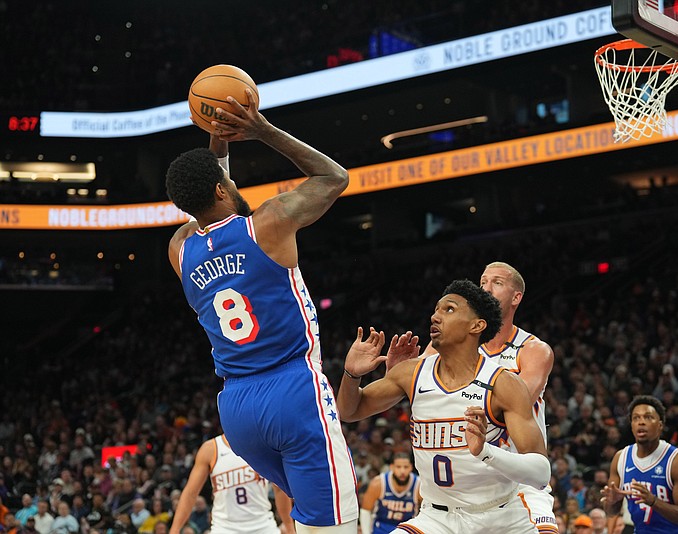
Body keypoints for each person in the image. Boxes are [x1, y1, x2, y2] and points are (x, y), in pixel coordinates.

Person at [165, 89, 357, 533]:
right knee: (334, 526)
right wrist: (260, 130)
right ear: (221, 187)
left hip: (237, 411)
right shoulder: (268, 223)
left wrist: (218, 141)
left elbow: (207, 206)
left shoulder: (179, 250)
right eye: (228, 182)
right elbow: (334, 177)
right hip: (292, 388)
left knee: (306, 520)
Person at [337, 279, 552, 533]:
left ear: (477, 325)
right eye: (436, 310)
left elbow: (540, 473)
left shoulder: (502, 384)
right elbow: (349, 411)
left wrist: (485, 451)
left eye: (449, 309)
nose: (435, 316)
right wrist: (351, 375)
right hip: (436, 519)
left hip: (501, 519)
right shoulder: (411, 373)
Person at [421, 262, 558, 533]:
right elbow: (417, 392)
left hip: (519, 479)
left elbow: (512, 405)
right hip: (467, 481)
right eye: (483, 281)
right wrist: (398, 371)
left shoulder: (533, 350)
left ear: (516, 297)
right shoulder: (454, 343)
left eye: (496, 282)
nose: (485, 287)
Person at [602, 395, 678, 533]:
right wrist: (613, 502)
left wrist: (654, 502)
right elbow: (611, 512)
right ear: (631, 426)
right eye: (636, 418)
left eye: (648, 417)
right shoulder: (621, 458)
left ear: (660, 425)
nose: (641, 422)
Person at [169, 434, 294, 534]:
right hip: (224, 527)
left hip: (262, 525)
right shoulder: (211, 449)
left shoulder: (262, 442)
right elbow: (190, 493)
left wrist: (289, 527)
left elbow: (279, 488)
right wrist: (175, 529)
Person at [359, 453, 420, 534]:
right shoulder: (378, 483)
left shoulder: (419, 485)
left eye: (406, 467)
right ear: (391, 467)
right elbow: (365, 510)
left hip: (407, 529)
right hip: (381, 527)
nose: (402, 471)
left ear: (411, 467)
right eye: (398, 467)